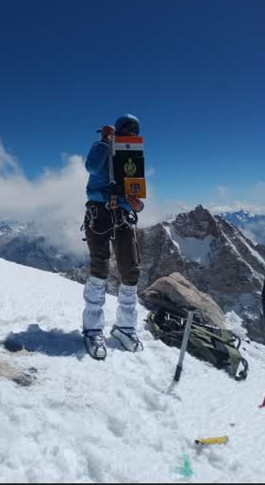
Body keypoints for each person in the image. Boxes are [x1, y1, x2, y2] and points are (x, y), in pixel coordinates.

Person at [81, 113, 146, 360]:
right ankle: (93, 330)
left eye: (133, 131)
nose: (129, 134)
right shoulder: (104, 148)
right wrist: (106, 141)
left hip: (123, 215)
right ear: (117, 130)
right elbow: (91, 166)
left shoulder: (133, 157)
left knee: (130, 270)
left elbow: (138, 197)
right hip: (99, 211)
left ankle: (125, 327)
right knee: (99, 267)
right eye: (125, 130)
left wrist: (137, 206)